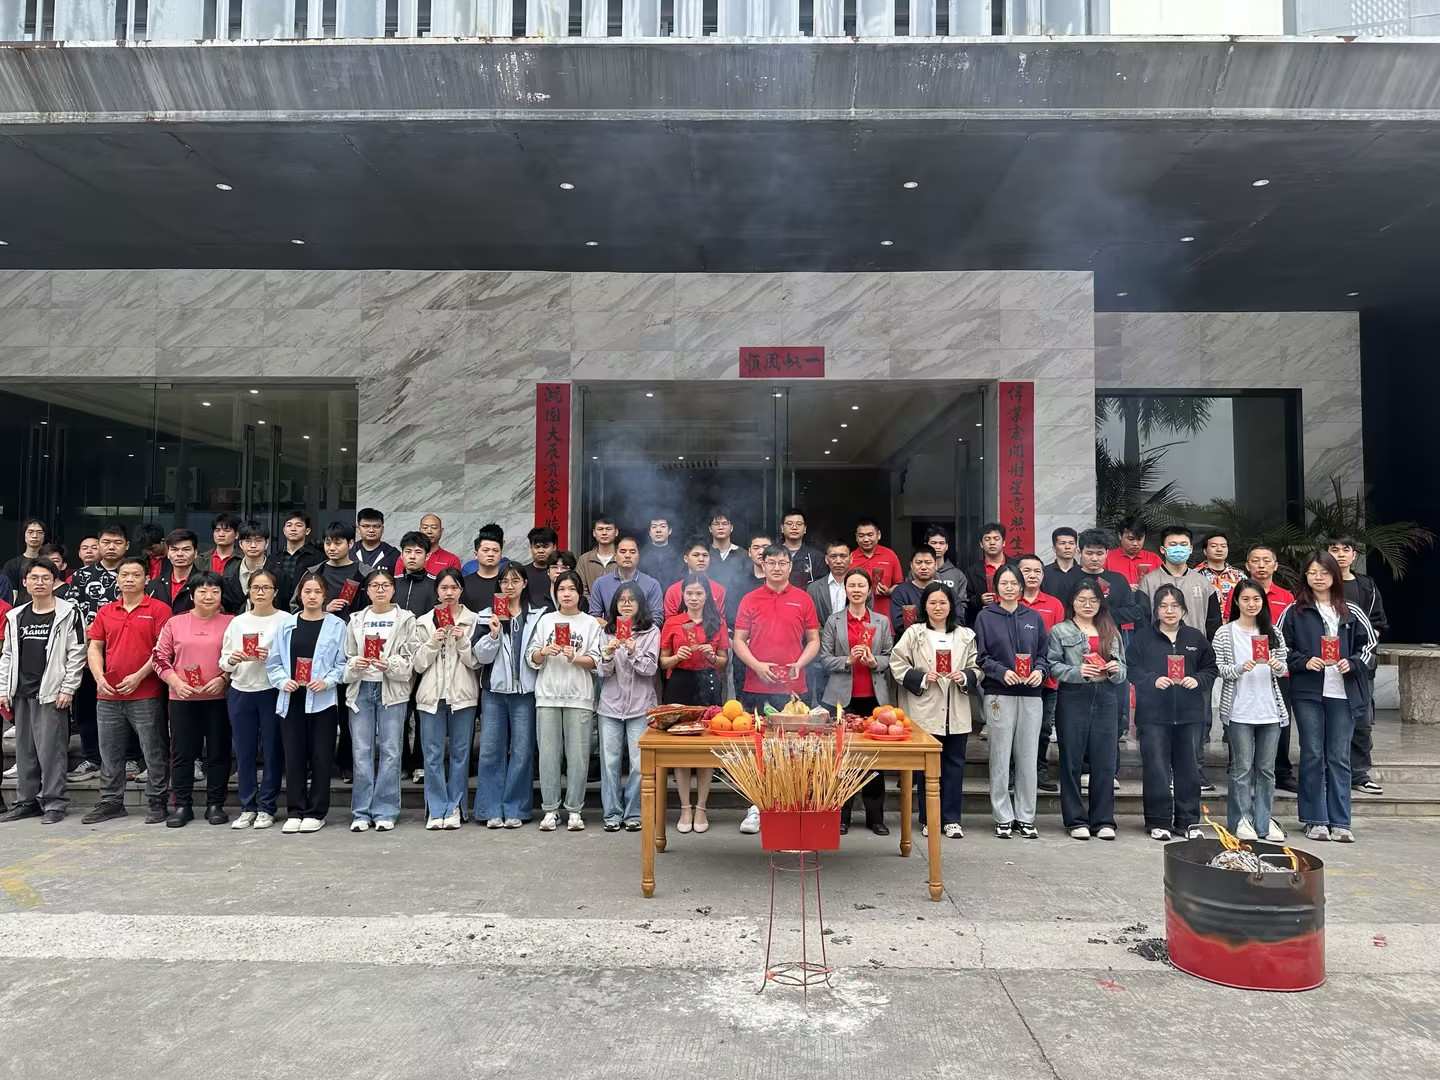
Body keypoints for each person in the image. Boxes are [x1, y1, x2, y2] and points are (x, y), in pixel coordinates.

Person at [1281, 551, 1377, 844]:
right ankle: (1315, 820)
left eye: (1324, 572)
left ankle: (1341, 821)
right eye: (1312, 572)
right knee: (1312, 754)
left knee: (1339, 756)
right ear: (1305, 576)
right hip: (1308, 692)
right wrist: (1303, 661)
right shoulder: (1294, 611)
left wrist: (1353, 663)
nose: (1318, 578)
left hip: (1343, 693)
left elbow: (1369, 646)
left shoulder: (1351, 610)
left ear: (1334, 575)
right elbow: (1280, 647)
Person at [732, 545, 821, 834]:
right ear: (763, 565)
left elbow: (814, 640)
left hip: (794, 687)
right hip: (756, 686)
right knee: (759, 748)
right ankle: (756, 807)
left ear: (790, 566)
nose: (777, 568)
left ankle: (792, 806)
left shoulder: (803, 598)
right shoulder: (750, 599)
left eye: (783, 563)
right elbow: (738, 640)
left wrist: (800, 663)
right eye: (772, 562)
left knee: (794, 749)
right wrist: (757, 666)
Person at [80, 557, 171, 825]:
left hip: (146, 693)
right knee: (109, 752)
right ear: (117, 579)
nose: (129, 579)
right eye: (124, 575)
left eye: (136, 574)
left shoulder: (159, 609)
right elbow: (95, 647)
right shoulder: (106, 611)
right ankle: (111, 802)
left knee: (153, 749)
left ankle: (157, 801)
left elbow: (162, 650)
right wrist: (98, 677)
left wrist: (139, 676)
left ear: (146, 579)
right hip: (108, 694)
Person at [891, 581, 979, 840]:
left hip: (955, 708)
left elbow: (977, 667)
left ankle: (952, 820)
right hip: (925, 709)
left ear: (951, 605)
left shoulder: (965, 635)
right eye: (932, 602)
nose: (938, 607)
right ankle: (928, 818)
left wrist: (964, 676)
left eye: (943, 602)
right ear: (924, 606)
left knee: (955, 765)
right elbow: (897, 663)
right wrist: (921, 677)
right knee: (926, 769)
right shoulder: (914, 633)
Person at [1129, 584, 1217, 842]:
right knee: (1156, 769)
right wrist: (1152, 680)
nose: (1169, 611)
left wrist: (1197, 680)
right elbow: (1131, 668)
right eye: (1163, 606)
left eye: (1175, 606)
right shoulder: (1143, 638)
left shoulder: (1195, 638)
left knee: (1188, 770)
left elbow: (1211, 668)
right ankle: (1158, 821)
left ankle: (1188, 821)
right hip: (1153, 716)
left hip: (1189, 716)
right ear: (1156, 610)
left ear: (1184, 610)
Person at [0, 560, 86, 824]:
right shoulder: (15, 616)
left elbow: (77, 653)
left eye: (45, 578)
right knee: (25, 751)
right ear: (24, 582)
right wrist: (3, 689)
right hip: (21, 693)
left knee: (51, 752)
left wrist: (68, 688)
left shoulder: (69, 612)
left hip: (51, 693)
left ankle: (54, 802)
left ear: (54, 581)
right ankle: (26, 801)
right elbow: (7, 655)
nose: (39, 582)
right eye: (34, 577)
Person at [1139, 525, 1222, 791]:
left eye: (1183, 544)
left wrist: (1207, 660)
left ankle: (1194, 770)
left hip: (1194, 661)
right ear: (1162, 549)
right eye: (1173, 544)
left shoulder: (1203, 583)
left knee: (1198, 718)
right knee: (1160, 718)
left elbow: (1213, 625)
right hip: (1158, 661)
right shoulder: (1149, 581)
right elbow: (1142, 623)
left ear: (1191, 548)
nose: (1178, 549)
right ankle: (1163, 771)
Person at [266, 572, 348, 834]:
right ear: (299, 595)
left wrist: (328, 681)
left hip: (322, 701)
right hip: (292, 699)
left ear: (325, 596)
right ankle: (295, 810)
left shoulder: (337, 626)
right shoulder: (287, 625)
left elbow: (343, 663)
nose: (312, 596)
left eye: (317, 592)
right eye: (307, 591)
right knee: (294, 756)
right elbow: (274, 661)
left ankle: (316, 811)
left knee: (321, 757)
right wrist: (283, 681)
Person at [1046, 579, 1126, 841]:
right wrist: (1076, 671)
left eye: (1093, 600)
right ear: (1072, 602)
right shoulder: (1059, 631)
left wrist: (1115, 670)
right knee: (1071, 760)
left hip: (1106, 697)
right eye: (1082, 600)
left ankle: (1103, 820)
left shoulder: (1110, 630)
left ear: (1100, 603)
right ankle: (1075, 820)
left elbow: (1124, 669)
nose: (1087, 605)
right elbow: (1052, 666)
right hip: (1073, 697)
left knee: (1105, 761)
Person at [152, 569, 233, 827]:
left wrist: (223, 678)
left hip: (219, 698)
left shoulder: (232, 622)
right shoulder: (175, 623)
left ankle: (215, 804)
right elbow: (159, 657)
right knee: (182, 754)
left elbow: (238, 658)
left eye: (215, 591)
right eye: (202, 591)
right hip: (182, 698)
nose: (208, 596)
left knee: (218, 752)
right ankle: (182, 805)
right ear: (191, 594)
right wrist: (175, 682)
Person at [974, 564, 1050, 839]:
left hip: (1031, 695)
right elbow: (981, 656)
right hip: (999, 693)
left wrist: (1040, 671)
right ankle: (1003, 816)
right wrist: (1000, 672)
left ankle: (1026, 816)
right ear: (996, 587)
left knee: (1028, 756)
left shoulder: (1034, 617)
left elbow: (1044, 655)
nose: (1009, 588)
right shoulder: (985, 617)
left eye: (1013, 583)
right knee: (1000, 755)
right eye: (1003, 583)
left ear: (1021, 586)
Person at [1214, 579, 1290, 843]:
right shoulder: (1225, 633)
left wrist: (1276, 665)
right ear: (1236, 601)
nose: (1251, 604)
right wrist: (1239, 668)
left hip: (1270, 710)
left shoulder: (1272, 632)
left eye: (1256, 599)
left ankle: (1263, 820)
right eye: (1245, 599)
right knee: (1242, 768)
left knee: (1267, 770)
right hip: (1239, 710)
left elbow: (1284, 667)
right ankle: (1240, 820)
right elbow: (1219, 668)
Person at [819, 568, 893, 835]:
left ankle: (875, 817)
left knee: (874, 759)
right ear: (846, 589)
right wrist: (848, 660)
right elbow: (825, 659)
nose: (857, 590)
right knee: (841, 759)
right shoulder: (834, 620)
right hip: (842, 699)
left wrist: (874, 662)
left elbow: (890, 656)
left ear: (869, 589)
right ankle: (842, 815)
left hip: (874, 698)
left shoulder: (881, 621)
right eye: (852, 585)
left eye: (862, 585)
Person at [342, 569, 416, 832]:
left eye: (385, 585)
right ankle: (361, 812)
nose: (381, 589)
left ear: (394, 589)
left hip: (391, 690)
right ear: (367, 590)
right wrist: (355, 663)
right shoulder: (356, 619)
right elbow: (346, 657)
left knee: (391, 751)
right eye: (375, 585)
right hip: (361, 689)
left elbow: (410, 659)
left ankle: (385, 810)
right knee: (361, 751)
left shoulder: (405, 619)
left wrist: (389, 664)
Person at [528, 570, 602, 832]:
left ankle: (574, 810)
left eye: (572, 589)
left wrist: (575, 657)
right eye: (561, 589)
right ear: (555, 593)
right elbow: (531, 657)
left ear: (580, 593)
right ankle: (550, 809)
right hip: (548, 695)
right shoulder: (546, 621)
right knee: (548, 755)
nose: (567, 594)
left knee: (578, 756)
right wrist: (543, 652)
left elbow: (596, 660)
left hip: (579, 696)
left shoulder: (590, 623)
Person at [473, 565, 546, 828]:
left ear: (525, 583)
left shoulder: (538, 615)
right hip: (494, 692)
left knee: (522, 751)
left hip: (525, 692)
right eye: (504, 581)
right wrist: (494, 633)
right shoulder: (486, 615)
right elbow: (479, 657)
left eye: (515, 581)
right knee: (490, 750)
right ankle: (490, 809)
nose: (509, 586)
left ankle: (516, 808)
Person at [659, 573, 729, 834]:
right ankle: (685, 807)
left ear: (707, 596)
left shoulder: (716, 622)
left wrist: (712, 657)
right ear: (683, 595)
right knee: (681, 748)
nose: (694, 598)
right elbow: (662, 662)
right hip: (680, 682)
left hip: (707, 682)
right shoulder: (673, 622)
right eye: (690, 593)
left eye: (699, 593)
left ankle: (702, 807)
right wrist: (677, 656)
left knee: (705, 748)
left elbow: (723, 662)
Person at [410, 567, 479, 831]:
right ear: (437, 591)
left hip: (463, 695)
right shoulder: (424, 622)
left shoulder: (473, 620)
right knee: (432, 754)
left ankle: (455, 807)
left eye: (454, 587)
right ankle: (436, 808)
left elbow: (476, 662)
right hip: (431, 695)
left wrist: (462, 641)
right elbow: (417, 665)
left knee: (461, 754)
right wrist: (432, 642)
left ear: (461, 590)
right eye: (444, 588)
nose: (449, 593)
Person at [220, 568, 288, 830]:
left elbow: (291, 658)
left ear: (275, 592)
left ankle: (267, 807)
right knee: (244, 751)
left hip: (272, 690)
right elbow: (224, 660)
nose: (260, 592)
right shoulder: (238, 622)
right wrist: (233, 659)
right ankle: (247, 806)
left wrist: (270, 658)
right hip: (241, 690)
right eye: (255, 588)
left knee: (272, 750)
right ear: (248, 591)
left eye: (266, 588)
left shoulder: (285, 620)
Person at [66, 521, 129, 782]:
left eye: (117, 542)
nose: (111, 547)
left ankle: (130, 758)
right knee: (87, 707)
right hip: (89, 652)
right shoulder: (82, 576)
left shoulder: (132, 573)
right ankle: (92, 758)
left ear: (126, 545)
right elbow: (71, 611)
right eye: (106, 542)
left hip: (124, 652)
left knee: (128, 706)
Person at [1327, 535, 1389, 797]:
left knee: (1361, 720)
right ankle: (1331, 772)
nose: (1340, 554)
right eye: (1334, 549)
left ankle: (1360, 774)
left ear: (1354, 555)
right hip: (1326, 665)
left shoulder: (1366, 585)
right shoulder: (1321, 582)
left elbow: (1378, 622)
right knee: (1329, 721)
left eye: (1346, 550)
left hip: (1360, 664)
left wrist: (1362, 649)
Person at [1232, 545, 1298, 791]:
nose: (1261, 565)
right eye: (1256, 560)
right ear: (1247, 565)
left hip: (1276, 669)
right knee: (1239, 719)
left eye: (1266, 560)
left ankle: (1281, 770)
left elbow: (1290, 633)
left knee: (1280, 720)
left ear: (1275, 565)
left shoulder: (1286, 596)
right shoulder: (1238, 593)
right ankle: (1240, 768)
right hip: (1245, 668)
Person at [596, 582, 660, 833]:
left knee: (638, 764)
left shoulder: (650, 631)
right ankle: (612, 813)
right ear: (615, 605)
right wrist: (608, 654)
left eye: (631, 599)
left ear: (640, 604)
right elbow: (602, 672)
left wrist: (633, 651)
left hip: (640, 706)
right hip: (610, 705)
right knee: (609, 763)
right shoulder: (607, 631)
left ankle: (633, 812)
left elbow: (650, 669)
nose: (626, 604)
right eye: (621, 600)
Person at [1077, 529, 1147, 754]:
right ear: (1080, 552)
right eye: (1089, 553)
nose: (1094, 558)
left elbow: (1134, 611)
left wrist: (1103, 615)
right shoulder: (1071, 579)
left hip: (1110, 644)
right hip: (1077, 646)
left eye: (1099, 553)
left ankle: (1111, 756)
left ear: (1107, 553)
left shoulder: (1117, 580)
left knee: (1114, 701)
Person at [1017, 552, 1066, 794]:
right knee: (1017, 728)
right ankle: (1015, 771)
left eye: (1037, 571)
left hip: (1047, 679)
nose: (1032, 575)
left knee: (1044, 728)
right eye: (1026, 570)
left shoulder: (1054, 604)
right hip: (1015, 679)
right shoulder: (1010, 602)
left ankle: (1039, 770)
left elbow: (1059, 642)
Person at [588, 536, 664, 627]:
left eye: (632, 552)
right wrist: (614, 630)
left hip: (642, 633)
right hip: (610, 633)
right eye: (623, 552)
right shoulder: (600, 584)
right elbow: (594, 617)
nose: (627, 555)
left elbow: (657, 618)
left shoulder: (652, 584)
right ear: (615, 556)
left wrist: (635, 631)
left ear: (639, 556)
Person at [299, 521, 369, 619]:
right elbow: (296, 606)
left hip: (356, 626)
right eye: (328, 543)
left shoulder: (365, 573)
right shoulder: (314, 573)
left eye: (337, 543)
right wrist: (324, 609)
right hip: (321, 625)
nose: (331, 548)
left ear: (350, 543)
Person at [850, 518, 904, 621]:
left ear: (878, 535)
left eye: (870, 535)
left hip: (885, 615)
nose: (866, 539)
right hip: (858, 616)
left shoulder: (890, 555)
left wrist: (889, 591)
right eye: (861, 536)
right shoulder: (850, 558)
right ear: (856, 537)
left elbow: (899, 584)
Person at [267, 511, 321, 609]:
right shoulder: (273, 558)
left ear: (307, 531)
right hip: (276, 609)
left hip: (305, 609)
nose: (293, 529)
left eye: (298, 525)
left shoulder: (317, 557)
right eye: (289, 525)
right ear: (284, 530)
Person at [662, 540, 727, 618]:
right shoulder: (673, 591)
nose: (701, 559)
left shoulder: (719, 590)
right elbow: (670, 622)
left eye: (705, 555)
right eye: (696, 555)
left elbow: (721, 621)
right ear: (686, 558)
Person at [222, 520, 274, 615]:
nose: (253, 545)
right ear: (240, 544)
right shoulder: (230, 571)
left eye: (258, 541)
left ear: (266, 543)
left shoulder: (277, 573)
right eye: (248, 541)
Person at [145, 529, 202, 614]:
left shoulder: (204, 583)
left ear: (195, 553)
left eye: (186, 549)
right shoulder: (154, 585)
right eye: (174, 549)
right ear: (168, 553)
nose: (179, 554)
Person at [964, 522, 1009, 625]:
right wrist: (980, 600)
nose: (992, 543)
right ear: (981, 544)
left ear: (1004, 542)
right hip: (984, 622)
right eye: (987, 539)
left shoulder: (1015, 566)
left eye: (996, 539)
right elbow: (967, 600)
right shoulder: (972, 571)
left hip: (1012, 619)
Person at [889, 548, 940, 638]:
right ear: (911, 565)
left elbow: (957, 620)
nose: (923, 567)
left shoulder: (944, 591)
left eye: (928, 562)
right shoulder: (900, 591)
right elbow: (899, 625)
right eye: (918, 562)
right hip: (909, 642)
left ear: (936, 565)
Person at [706, 510, 750, 610]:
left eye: (725, 523)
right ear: (710, 529)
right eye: (716, 524)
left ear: (731, 528)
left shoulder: (743, 554)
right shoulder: (704, 554)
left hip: (737, 609)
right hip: (709, 609)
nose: (720, 527)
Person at [1104, 516, 1161, 589]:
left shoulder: (1154, 559)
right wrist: (1122, 589)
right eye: (1131, 539)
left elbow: (1165, 584)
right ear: (1120, 536)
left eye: (1139, 539)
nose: (1135, 544)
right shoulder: (1107, 558)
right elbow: (1098, 585)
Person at [1195, 530, 1244, 616]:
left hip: (1234, 622)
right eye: (1214, 546)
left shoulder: (1239, 576)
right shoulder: (1195, 575)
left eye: (1223, 546)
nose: (1219, 549)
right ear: (1205, 551)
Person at [461, 524, 506, 613]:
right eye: (486, 550)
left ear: (501, 554)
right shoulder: (464, 583)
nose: (490, 554)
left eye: (495, 550)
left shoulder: (507, 583)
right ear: (476, 554)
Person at [394, 531, 439, 614]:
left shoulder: (436, 584)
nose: (412, 556)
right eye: (408, 551)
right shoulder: (392, 583)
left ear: (427, 556)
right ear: (401, 555)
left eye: (418, 552)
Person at [779, 508, 825, 588]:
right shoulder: (773, 554)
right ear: (782, 528)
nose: (794, 527)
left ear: (805, 529)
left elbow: (821, 586)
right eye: (789, 524)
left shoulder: (816, 557)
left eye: (799, 524)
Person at [2, 518, 47, 596]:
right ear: (24, 535)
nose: (35, 536)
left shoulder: (49, 563)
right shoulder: (12, 565)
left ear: (44, 536)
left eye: (39, 532)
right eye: (30, 532)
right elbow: (11, 593)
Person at [639, 515, 684, 590]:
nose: (658, 530)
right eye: (654, 527)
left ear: (670, 531)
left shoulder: (678, 555)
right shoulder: (641, 555)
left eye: (663, 526)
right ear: (649, 532)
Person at [576, 515, 619, 592]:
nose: (604, 533)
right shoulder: (584, 560)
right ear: (594, 533)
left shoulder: (623, 557)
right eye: (600, 529)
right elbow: (581, 589)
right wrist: (594, 600)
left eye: (608, 529)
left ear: (616, 532)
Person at [352, 507, 401, 575]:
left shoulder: (393, 554)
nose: (371, 530)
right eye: (366, 526)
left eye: (376, 526)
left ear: (382, 529)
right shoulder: (349, 551)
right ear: (358, 529)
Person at [1042, 527, 1082, 608]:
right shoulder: (1044, 573)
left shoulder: (1083, 572)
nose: (1067, 547)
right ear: (1054, 548)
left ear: (1076, 547)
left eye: (1071, 543)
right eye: (1062, 543)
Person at [523, 526, 560, 608]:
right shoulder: (522, 573)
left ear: (554, 547)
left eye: (545, 547)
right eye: (537, 547)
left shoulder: (560, 572)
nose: (541, 551)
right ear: (531, 547)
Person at [924, 525, 965, 600]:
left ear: (947, 546)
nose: (938, 547)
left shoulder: (958, 575)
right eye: (934, 543)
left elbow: (962, 603)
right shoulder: (917, 572)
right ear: (926, 545)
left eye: (941, 543)